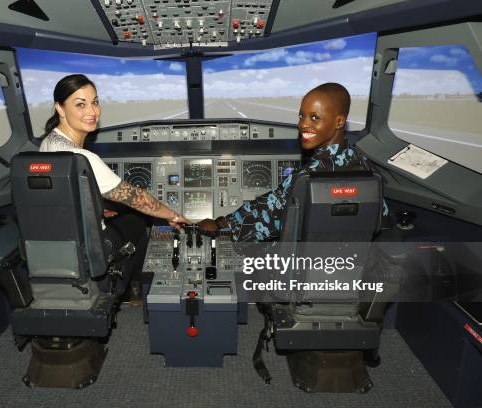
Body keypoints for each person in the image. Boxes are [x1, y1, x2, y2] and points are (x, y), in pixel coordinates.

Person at [40, 74, 191, 296]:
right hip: (90, 245)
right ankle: (127, 287)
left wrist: (97, 209)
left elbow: (65, 198)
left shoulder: (47, 143)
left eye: (95, 102)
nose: (92, 112)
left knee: (123, 215)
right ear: (60, 109)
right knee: (138, 220)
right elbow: (136, 198)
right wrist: (173, 216)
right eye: (80, 105)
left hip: (61, 241)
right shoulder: (81, 157)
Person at [197, 82, 388, 241]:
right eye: (301, 116)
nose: (303, 124)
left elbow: (261, 219)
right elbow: (381, 217)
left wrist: (220, 224)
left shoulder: (306, 179)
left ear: (339, 122)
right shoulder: (365, 167)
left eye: (315, 117)